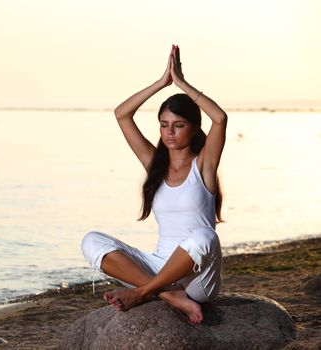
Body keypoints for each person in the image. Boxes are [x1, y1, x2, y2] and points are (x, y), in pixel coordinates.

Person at [81, 45, 227, 325]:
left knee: (206, 237)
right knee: (91, 240)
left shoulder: (204, 166)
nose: (169, 132)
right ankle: (169, 295)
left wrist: (182, 83)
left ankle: (144, 292)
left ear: (194, 127)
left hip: (198, 277)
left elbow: (220, 118)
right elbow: (122, 113)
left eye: (178, 125)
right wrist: (162, 83)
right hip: (159, 266)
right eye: (163, 124)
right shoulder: (155, 164)